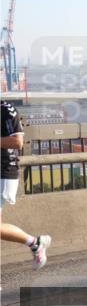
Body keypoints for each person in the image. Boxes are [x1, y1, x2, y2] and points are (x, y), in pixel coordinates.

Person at [1, 100, 51, 268]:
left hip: (3, 172)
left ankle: (34, 243)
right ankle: (35, 243)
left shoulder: (6, 110)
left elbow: (17, 142)